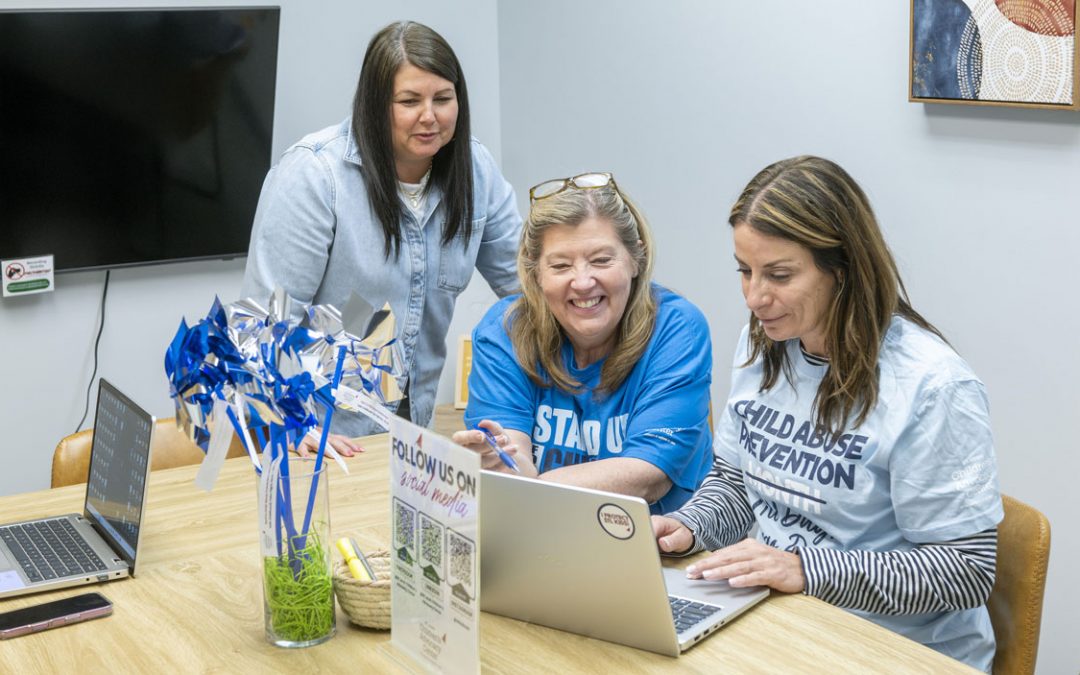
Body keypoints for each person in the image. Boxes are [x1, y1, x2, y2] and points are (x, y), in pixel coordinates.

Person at [651, 156, 1003, 671]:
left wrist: (805, 569)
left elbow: (964, 571)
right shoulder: (766, 340)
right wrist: (689, 525)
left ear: (843, 270)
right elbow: (736, 484)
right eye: (744, 271)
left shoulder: (933, 387)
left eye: (779, 275)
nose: (754, 297)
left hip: (895, 650)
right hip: (782, 619)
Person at [241, 21, 521, 454]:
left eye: (443, 99)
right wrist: (292, 423)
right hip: (321, 438)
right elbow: (260, 327)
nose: (430, 116)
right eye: (409, 101)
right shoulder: (315, 177)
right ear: (375, 105)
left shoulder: (475, 169)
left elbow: (526, 285)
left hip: (414, 428)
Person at [453, 173, 713, 514]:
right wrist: (500, 467)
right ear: (535, 275)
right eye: (560, 265)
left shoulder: (677, 329)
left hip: (664, 545)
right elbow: (511, 462)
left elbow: (649, 476)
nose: (583, 281)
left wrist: (527, 488)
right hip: (549, 533)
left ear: (637, 259)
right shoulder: (506, 329)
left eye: (602, 260)